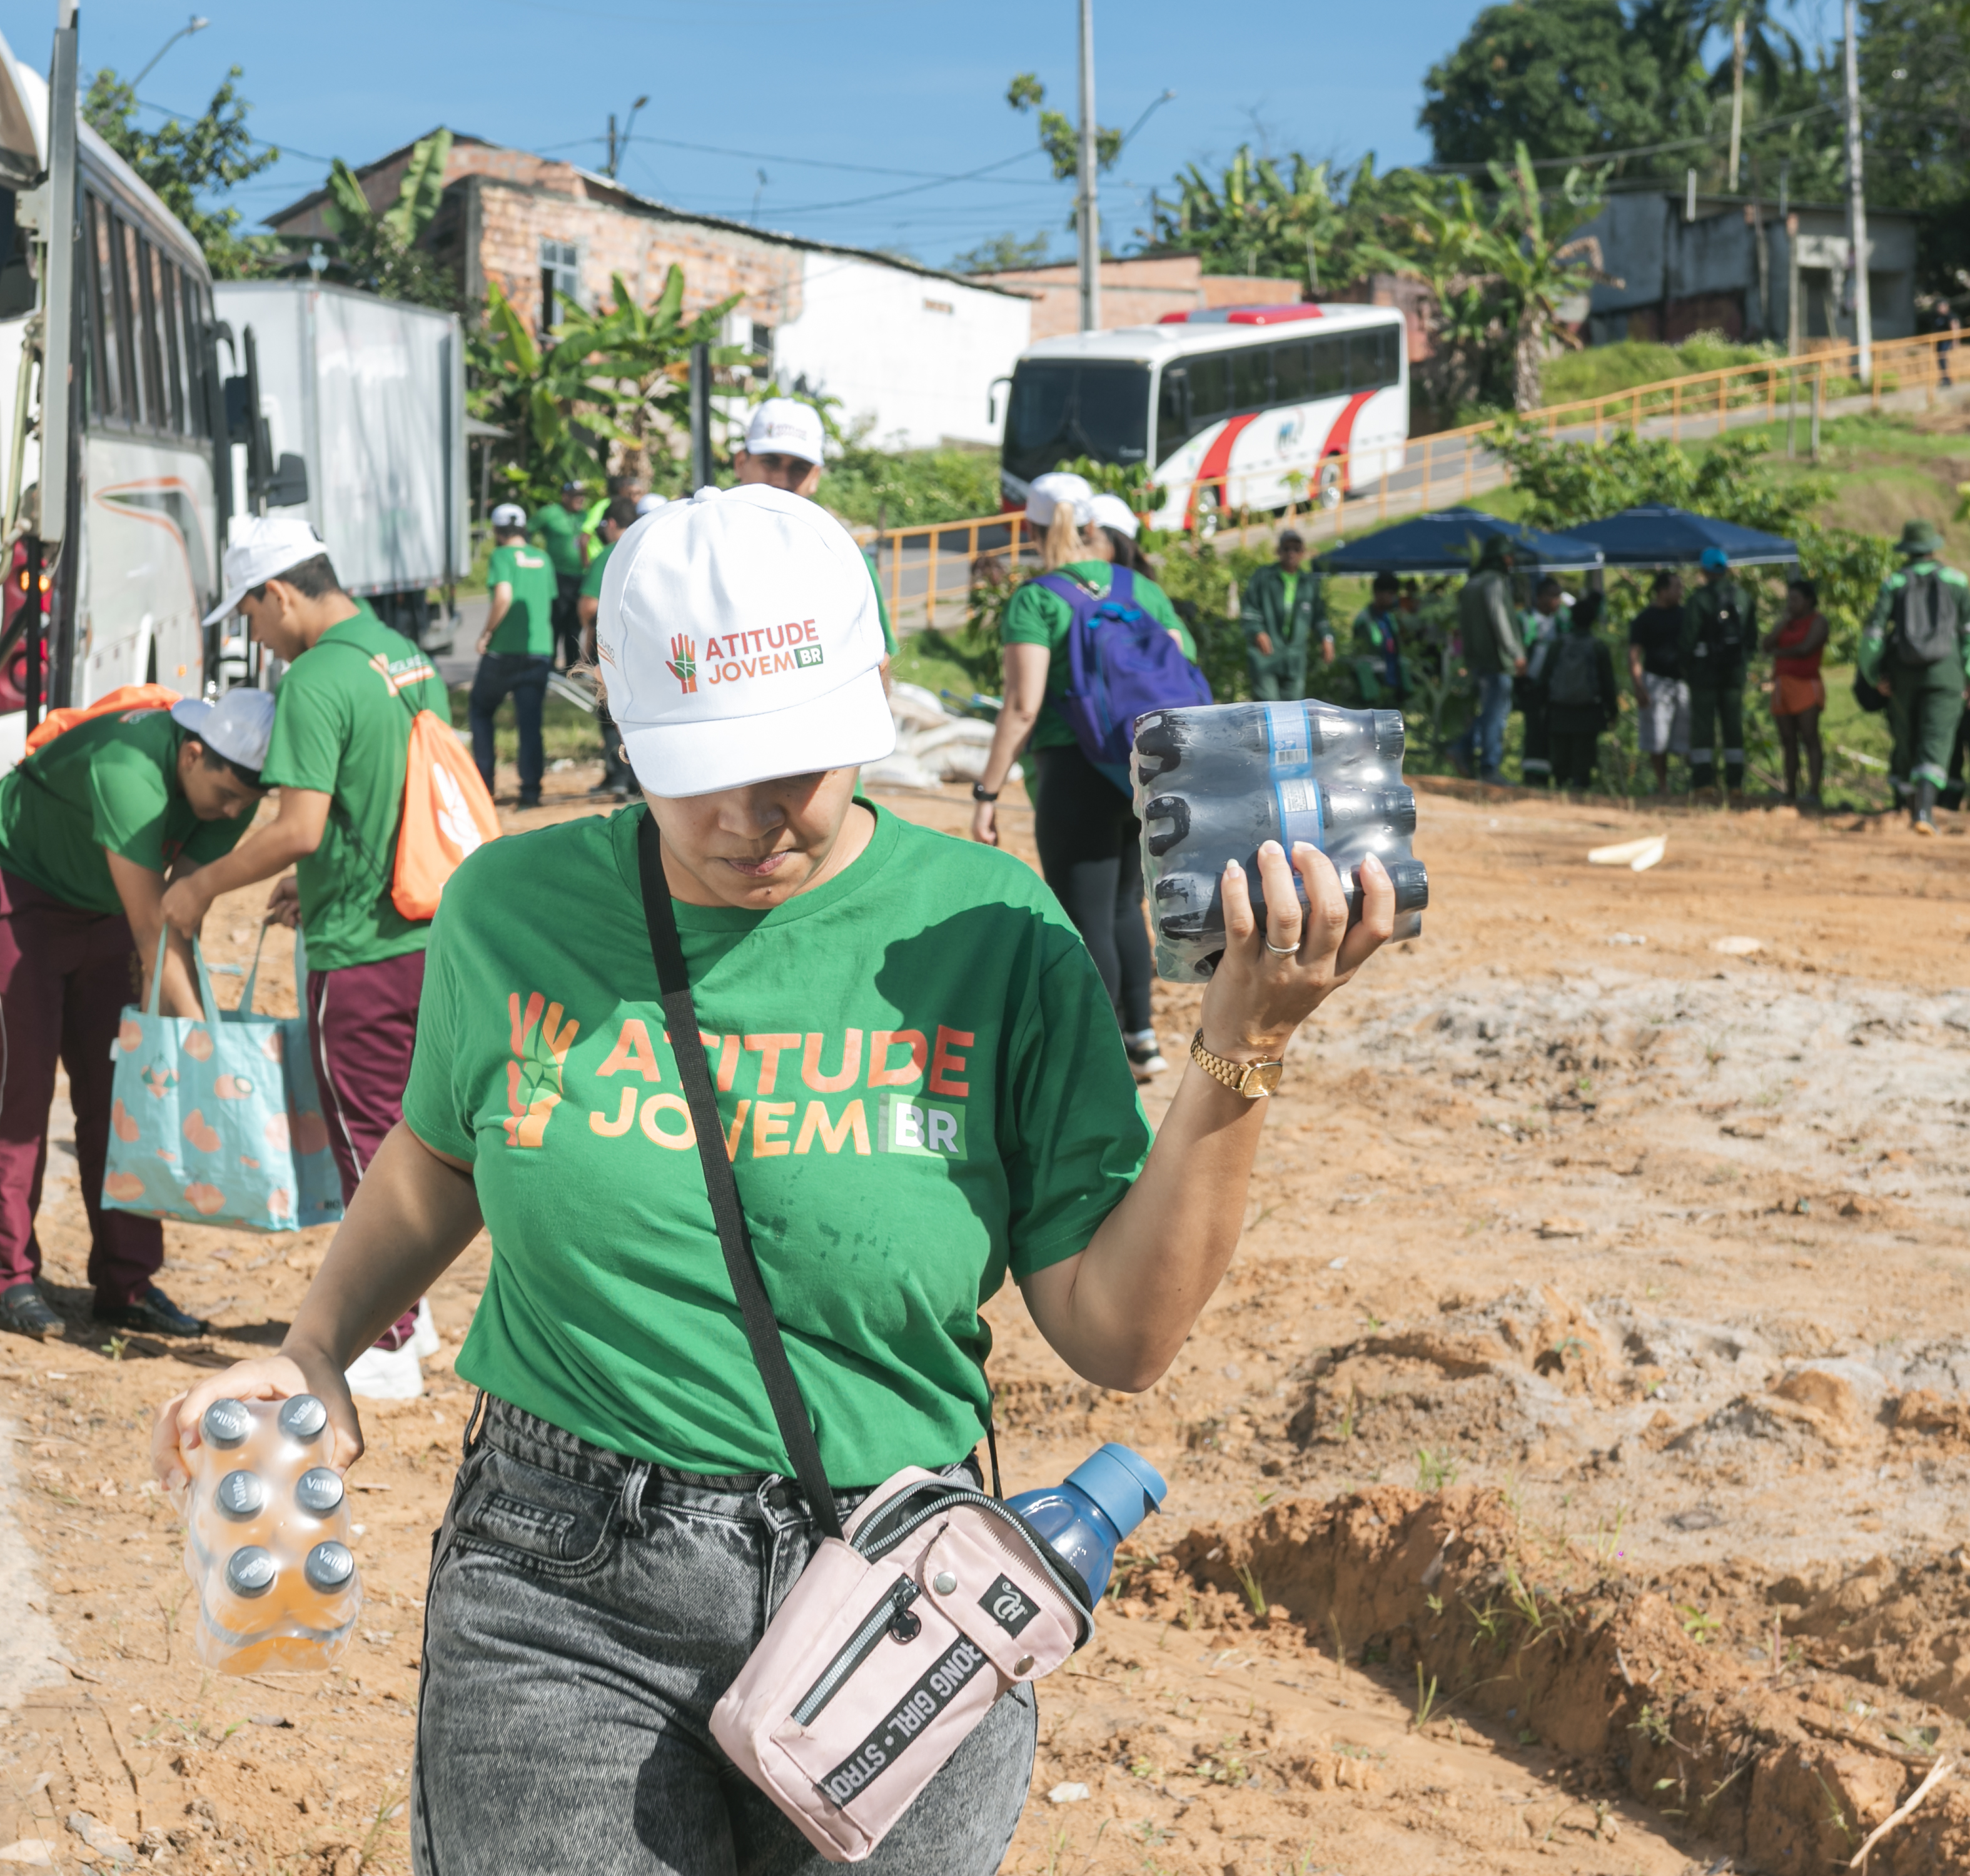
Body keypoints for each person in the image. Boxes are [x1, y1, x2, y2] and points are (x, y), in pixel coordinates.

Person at [149, 480, 1402, 1875]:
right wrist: (317, 1345)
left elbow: (1121, 1335)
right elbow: (441, 1157)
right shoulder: (511, 911)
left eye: (797, 763)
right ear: (625, 731)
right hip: (563, 1589)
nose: (755, 817)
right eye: (704, 770)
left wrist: (1244, 1047)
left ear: (865, 706)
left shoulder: (997, 935)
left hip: (901, 1599)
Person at [162, 518, 455, 1388]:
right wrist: (314, 876)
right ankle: (416, 1315)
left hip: (360, 949)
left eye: (250, 615)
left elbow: (299, 826)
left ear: (279, 593)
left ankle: (387, 1342)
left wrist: (203, 889)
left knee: (367, 1143)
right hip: (428, 930)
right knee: (419, 1135)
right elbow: (395, 794)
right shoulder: (402, 655)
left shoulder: (316, 679)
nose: (256, 636)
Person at [0, 688, 270, 1339]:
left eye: (247, 801)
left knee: (124, 1085)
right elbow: (155, 935)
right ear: (192, 755)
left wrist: (187, 1046)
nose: (234, 812)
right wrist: (210, 1054)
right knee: (23, 1078)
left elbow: (179, 919)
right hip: (20, 885)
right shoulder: (129, 770)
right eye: (227, 796)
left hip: (107, 905)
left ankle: (126, 1283)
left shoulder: (230, 791)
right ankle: (5, 1276)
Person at [971, 473, 1195, 1082]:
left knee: (1084, 913)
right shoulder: (1141, 589)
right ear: (1094, 526)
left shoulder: (1037, 600)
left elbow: (1023, 706)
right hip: (1145, 769)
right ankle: (1141, 1039)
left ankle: (1101, 1055)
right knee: (1125, 905)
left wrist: (987, 793)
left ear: (1033, 529)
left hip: (1074, 772)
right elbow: (1180, 665)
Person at [734, 397, 899, 673]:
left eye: (799, 468)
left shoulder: (845, 561)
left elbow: (879, 663)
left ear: (815, 477)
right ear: (741, 463)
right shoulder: (693, 551)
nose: (781, 481)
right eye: (770, 462)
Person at [1857, 519, 1970, 834]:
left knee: (1907, 738)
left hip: (1902, 674)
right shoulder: (1956, 580)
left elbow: (1873, 633)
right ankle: (1924, 814)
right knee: (1936, 740)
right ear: (1933, 548)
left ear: (1908, 550)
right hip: (1946, 673)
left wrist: (1874, 674)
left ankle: (1906, 809)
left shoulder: (1895, 582)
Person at [473, 503, 557, 810]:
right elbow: (548, 600)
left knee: (481, 710)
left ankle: (484, 786)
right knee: (530, 722)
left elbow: (504, 596)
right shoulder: (544, 558)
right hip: (539, 651)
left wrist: (486, 633)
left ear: (497, 531)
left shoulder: (501, 556)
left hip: (503, 652)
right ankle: (531, 792)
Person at [576, 497, 642, 798]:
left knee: (609, 712)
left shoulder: (610, 553)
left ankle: (620, 777)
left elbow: (589, 606)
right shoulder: (648, 546)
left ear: (611, 523)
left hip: (613, 647)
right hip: (646, 647)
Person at [1679, 548, 1757, 793]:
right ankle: (1735, 784)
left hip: (1704, 674)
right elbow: (1752, 638)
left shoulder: (1699, 599)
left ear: (1704, 570)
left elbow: (1688, 638)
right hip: (1734, 674)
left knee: (1703, 726)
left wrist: (1685, 666)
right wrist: (1742, 662)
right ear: (1726, 569)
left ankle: (1704, 782)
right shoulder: (1743, 597)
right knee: (1733, 725)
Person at [1452, 538, 1523, 781]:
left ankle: (1463, 749)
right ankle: (1489, 767)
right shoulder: (1494, 582)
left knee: (1489, 711)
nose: (1512, 561)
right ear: (1502, 557)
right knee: (1495, 714)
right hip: (1497, 661)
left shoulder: (1472, 583)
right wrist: (1516, 653)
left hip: (1477, 660)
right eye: (1510, 556)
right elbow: (1499, 619)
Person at [1535, 589, 1617, 789]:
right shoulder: (1597, 647)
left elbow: (1544, 678)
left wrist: (1541, 707)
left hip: (1558, 710)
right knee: (1583, 763)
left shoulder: (1558, 645)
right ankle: (1580, 793)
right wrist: (1612, 711)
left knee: (1560, 761)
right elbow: (1608, 683)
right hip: (1587, 712)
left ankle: (1560, 791)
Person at [1240, 531, 1334, 702]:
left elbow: (1319, 616)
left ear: (1303, 553)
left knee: (1294, 708)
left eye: (1296, 549)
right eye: (1287, 548)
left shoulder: (1309, 583)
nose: (1291, 553)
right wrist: (1258, 632)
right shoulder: (1264, 577)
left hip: (1295, 658)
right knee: (1268, 704)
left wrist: (1326, 638)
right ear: (1279, 551)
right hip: (1266, 655)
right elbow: (1249, 610)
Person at [1623, 570, 1690, 794]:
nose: (1681, 592)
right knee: (1657, 737)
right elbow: (1634, 654)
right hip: (1655, 682)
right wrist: (1639, 686)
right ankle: (1663, 785)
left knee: (1688, 735)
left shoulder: (1686, 616)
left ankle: (1699, 784)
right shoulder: (1645, 619)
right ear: (1662, 591)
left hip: (1683, 683)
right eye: (1676, 587)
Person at [1766, 577, 1829, 807]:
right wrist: (1781, 626)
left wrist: (1779, 652)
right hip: (1782, 685)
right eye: (1789, 599)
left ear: (1809, 600)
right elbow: (1766, 645)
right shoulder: (1785, 623)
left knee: (1810, 737)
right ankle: (1790, 791)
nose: (1790, 604)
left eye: (1795, 599)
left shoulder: (1818, 622)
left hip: (1806, 685)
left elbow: (1806, 649)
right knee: (1787, 739)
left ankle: (1813, 792)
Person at [532, 478, 594, 670]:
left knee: (574, 624)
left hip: (581, 577)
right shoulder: (550, 513)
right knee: (555, 621)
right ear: (565, 496)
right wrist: (535, 558)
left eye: (582, 496)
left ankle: (571, 668)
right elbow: (526, 531)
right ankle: (548, 665)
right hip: (557, 576)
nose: (580, 499)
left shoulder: (586, 516)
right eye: (576, 496)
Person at [1515, 575, 1570, 784]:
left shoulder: (1563, 618)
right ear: (1539, 597)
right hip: (1532, 684)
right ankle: (1533, 776)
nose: (1557, 601)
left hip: (1558, 687)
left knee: (1554, 730)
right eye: (1553, 596)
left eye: (1559, 596)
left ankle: (1557, 773)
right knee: (1535, 729)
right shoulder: (1526, 619)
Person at [1349, 573, 1410, 709]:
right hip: (1374, 681)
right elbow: (1362, 654)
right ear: (1378, 593)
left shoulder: (1390, 617)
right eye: (1390, 594)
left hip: (1393, 679)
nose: (1393, 598)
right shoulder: (1364, 620)